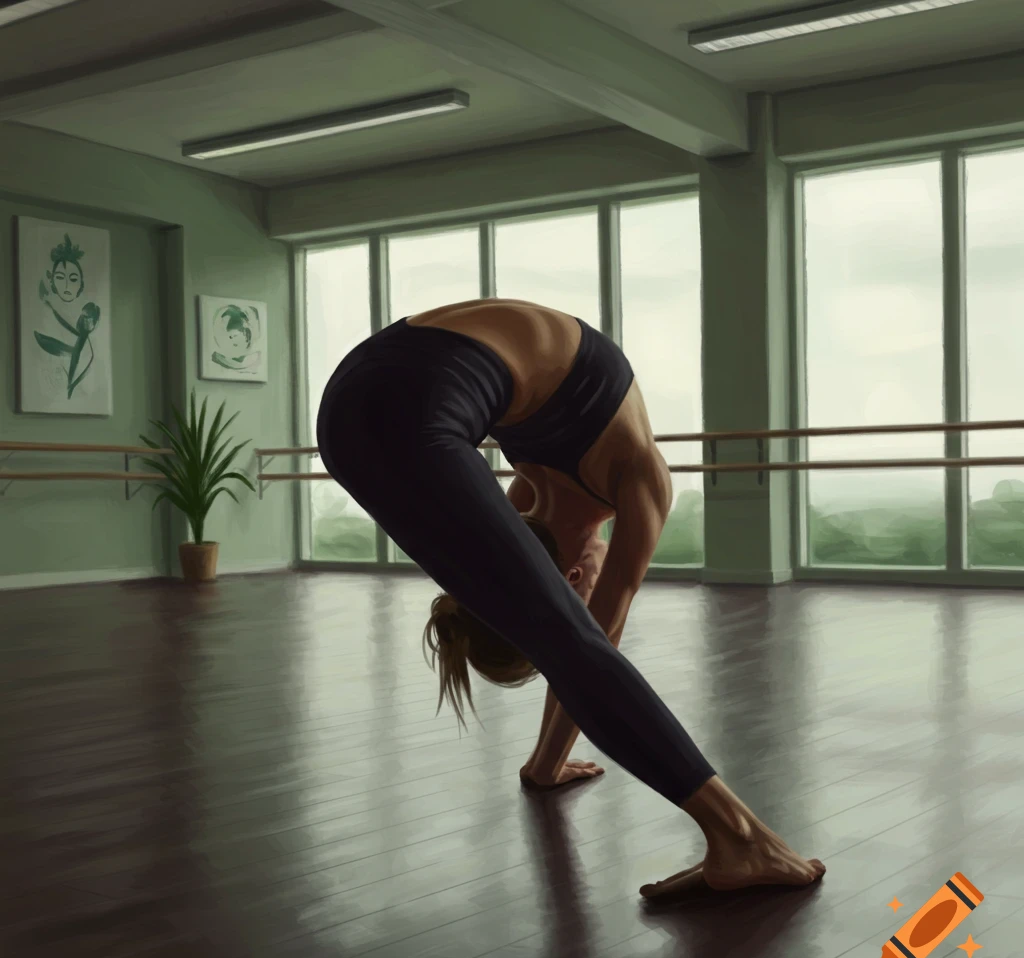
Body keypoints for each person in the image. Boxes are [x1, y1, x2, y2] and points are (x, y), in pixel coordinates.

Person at [316, 298, 825, 898]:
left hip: (379, 402)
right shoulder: (541, 486)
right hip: (380, 387)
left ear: (573, 577)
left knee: (569, 644)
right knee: (573, 646)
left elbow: (572, 642)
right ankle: (743, 841)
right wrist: (545, 763)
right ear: (572, 580)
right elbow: (587, 647)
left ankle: (741, 839)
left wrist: (547, 763)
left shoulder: (602, 479)